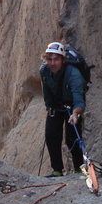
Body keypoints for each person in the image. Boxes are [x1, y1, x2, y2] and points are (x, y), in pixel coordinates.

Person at [39, 41, 86, 177]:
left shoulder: (74, 75)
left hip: (72, 107)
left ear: (63, 60)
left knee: (73, 138)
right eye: (49, 59)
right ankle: (57, 170)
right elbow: (46, 91)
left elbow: (79, 99)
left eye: (56, 59)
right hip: (55, 107)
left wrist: (76, 114)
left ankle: (79, 168)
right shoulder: (44, 71)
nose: (52, 63)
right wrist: (49, 107)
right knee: (51, 136)